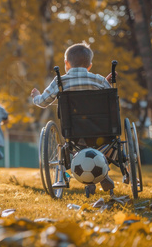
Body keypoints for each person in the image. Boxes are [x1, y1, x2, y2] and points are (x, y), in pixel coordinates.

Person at [30, 42, 116, 194]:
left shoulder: (60, 81)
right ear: (89, 65)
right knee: (107, 145)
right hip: (101, 132)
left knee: (68, 153)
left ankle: (66, 176)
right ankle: (102, 174)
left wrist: (36, 97)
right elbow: (110, 101)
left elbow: (43, 102)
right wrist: (106, 83)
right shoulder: (100, 80)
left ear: (66, 63)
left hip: (73, 132)